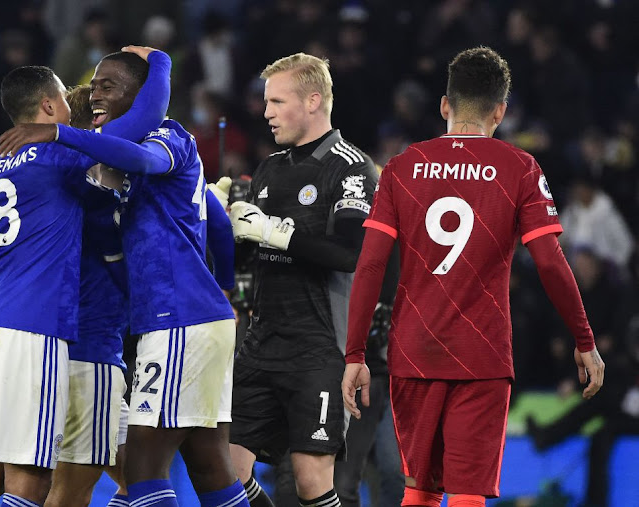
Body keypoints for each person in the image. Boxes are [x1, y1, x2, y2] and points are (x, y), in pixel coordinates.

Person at [342, 46, 605, 507]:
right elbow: (548, 262)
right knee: (467, 493)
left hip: (413, 351)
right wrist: (584, 340)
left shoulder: (401, 168)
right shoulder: (520, 168)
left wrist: (355, 353)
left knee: (419, 491)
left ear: (445, 104)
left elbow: (369, 265)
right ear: (500, 111)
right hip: (480, 354)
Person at [0, 49, 247, 507]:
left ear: (140, 92)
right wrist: (224, 284)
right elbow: (220, 222)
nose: (95, 94)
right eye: (93, 86)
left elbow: (146, 161)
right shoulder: (110, 164)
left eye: (108, 85)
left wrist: (59, 133)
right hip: (181, 317)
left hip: (176, 319)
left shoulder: (167, 136)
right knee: (209, 463)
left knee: (141, 469)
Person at [224, 52, 378, 507]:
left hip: (320, 346)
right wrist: (220, 222)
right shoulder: (270, 167)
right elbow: (250, 252)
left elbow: (350, 254)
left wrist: (274, 232)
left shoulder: (351, 167)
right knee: (226, 472)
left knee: (311, 481)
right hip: (262, 339)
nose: (266, 112)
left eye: (277, 101)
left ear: (313, 101)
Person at [0, 65, 99, 507]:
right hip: (33, 333)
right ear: (49, 105)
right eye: (66, 103)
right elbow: (127, 140)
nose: (72, 112)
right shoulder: (58, 156)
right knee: (30, 485)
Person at [45, 45, 171, 507]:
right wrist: (160, 60)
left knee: (136, 478)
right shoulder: (83, 172)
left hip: (82, 348)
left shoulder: (53, 175)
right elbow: (148, 115)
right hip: (88, 349)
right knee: (67, 492)